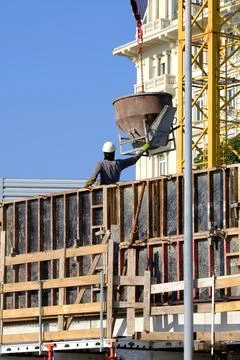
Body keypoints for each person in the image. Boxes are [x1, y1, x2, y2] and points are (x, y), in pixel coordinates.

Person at [85, 141, 150, 188]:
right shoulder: (118, 163)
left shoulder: (100, 163)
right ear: (113, 152)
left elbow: (93, 178)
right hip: (115, 191)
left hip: (102, 192)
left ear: (104, 153)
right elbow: (133, 159)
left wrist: (86, 186)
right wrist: (143, 149)